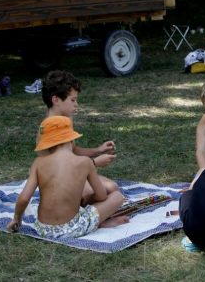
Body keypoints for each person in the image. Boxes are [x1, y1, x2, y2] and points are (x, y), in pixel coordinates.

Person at [8, 116, 129, 238]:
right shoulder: (85, 162)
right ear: (71, 139)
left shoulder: (38, 162)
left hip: (43, 229)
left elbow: (24, 198)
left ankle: (96, 221)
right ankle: (100, 222)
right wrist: (91, 198)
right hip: (71, 229)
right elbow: (102, 196)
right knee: (117, 197)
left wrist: (17, 219)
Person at [41, 70, 119, 202]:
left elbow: (73, 150)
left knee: (112, 187)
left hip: (71, 175)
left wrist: (98, 150)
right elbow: (61, 167)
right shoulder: (51, 126)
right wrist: (94, 163)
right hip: (56, 182)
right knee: (94, 192)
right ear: (56, 100)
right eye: (73, 100)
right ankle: (96, 219)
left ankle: (96, 214)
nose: (76, 104)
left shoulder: (66, 119)